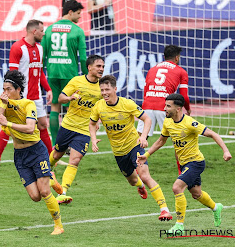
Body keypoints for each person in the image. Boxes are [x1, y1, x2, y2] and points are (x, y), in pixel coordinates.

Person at [137, 93, 232, 234]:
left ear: (178, 108)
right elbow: (161, 141)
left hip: (196, 163)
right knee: (196, 193)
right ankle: (216, 207)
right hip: (184, 164)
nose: (165, 109)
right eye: (165, 105)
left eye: (168, 106)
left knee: (177, 187)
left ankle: (179, 226)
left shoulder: (190, 123)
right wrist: (146, 155)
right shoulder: (168, 122)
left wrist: (225, 151)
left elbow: (213, 134)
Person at [89, 75, 172, 221]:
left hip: (134, 146)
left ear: (115, 89)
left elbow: (147, 119)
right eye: (102, 90)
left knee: (145, 175)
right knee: (133, 181)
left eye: (107, 89)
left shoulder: (127, 104)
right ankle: (140, 186)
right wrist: (94, 139)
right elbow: (91, 123)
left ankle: (164, 209)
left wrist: (143, 137)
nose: (104, 93)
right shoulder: (99, 106)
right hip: (118, 152)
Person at [0, 70, 64, 235]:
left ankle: (58, 226)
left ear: (18, 90)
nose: (5, 92)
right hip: (20, 155)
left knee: (44, 191)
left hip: (36, 150)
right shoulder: (2, 102)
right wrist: (2, 107)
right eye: (3, 89)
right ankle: (51, 178)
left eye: (9, 89)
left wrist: (8, 124)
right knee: (35, 196)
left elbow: (31, 128)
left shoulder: (28, 104)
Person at [0, 20, 54, 169]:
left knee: (43, 125)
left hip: (36, 95)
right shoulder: (17, 47)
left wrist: (48, 89)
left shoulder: (40, 48)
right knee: (8, 125)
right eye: (42, 31)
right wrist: (8, 91)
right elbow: (12, 75)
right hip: (20, 97)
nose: (43, 34)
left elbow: (40, 73)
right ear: (34, 31)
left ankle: (52, 159)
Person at [48, 55, 105, 204]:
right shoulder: (76, 81)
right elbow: (60, 98)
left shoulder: (102, 87)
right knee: (57, 155)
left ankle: (63, 192)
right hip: (68, 126)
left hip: (85, 130)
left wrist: (97, 120)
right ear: (89, 67)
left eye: (103, 67)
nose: (101, 69)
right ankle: (47, 172)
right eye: (98, 66)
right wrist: (70, 98)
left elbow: (101, 106)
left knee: (75, 159)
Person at [137, 45, 191, 174]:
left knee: (139, 139)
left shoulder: (152, 69)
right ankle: (181, 172)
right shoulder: (181, 71)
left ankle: (136, 168)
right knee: (178, 141)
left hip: (148, 105)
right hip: (166, 108)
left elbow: (145, 91)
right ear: (177, 58)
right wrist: (187, 109)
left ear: (164, 56)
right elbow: (184, 96)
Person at [41, 0, 88, 147]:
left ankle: (56, 144)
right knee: (71, 109)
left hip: (53, 72)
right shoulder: (77, 31)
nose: (80, 17)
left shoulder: (49, 29)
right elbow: (84, 58)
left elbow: (42, 54)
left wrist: (41, 73)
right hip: (69, 74)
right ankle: (71, 144)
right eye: (79, 13)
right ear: (70, 12)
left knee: (54, 107)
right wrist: (87, 77)